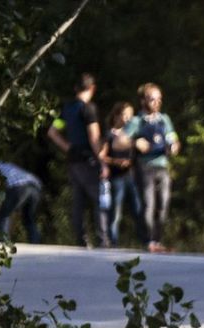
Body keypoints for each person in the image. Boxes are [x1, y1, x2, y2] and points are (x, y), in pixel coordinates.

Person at [46, 72, 109, 248]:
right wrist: (102, 161)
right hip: (88, 159)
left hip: (73, 159)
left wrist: (68, 147)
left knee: (78, 201)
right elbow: (94, 137)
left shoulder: (66, 108)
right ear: (92, 88)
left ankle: (81, 239)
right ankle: (102, 240)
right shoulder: (88, 108)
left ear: (76, 88)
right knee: (98, 200)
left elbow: (52, 132)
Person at [124, 82, 181, 253]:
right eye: (152, 99)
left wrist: (174, 146)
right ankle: (148, 240)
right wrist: (135, 142)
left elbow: (174, 139)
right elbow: (119, 141)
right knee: (148, 204)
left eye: (159, 99)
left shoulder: (165, 119)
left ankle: (157, 239)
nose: (156, 102)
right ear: (143, 101)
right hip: (145, 166)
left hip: (162, 166)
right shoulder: (137, 121)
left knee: (163, 204)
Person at [100, 102, 145, 247]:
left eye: (130, 116)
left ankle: (145, 241)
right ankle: (113, 242)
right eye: (124, 115)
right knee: (116, 212)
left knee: (138, 209)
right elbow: (102, 155)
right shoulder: (109, 135)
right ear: (116, 115)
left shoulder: (131, 134)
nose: (127, 119)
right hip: (116, 177)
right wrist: (115, 161)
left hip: (131, 176)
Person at [0, 161, 42, 243]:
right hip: (35, 188)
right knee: (28, 218)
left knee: (4, 214)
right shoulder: (8, 165)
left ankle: (1, 242)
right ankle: (35, 243)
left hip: (18, 187)